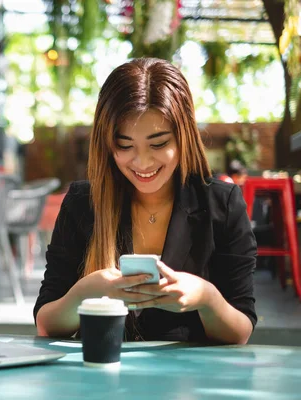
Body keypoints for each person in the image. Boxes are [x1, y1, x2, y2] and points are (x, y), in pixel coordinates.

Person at [34, 58, 256, 344]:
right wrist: (85, 293)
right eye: (124, 146)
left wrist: (206, 298)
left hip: (192, 383)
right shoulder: (82, 203)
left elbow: (241, 332)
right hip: (102, 377)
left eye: (159, 143)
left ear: (183, 136)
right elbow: (47, 325)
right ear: (107, 143)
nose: (142, 162)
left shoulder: (222, 204)